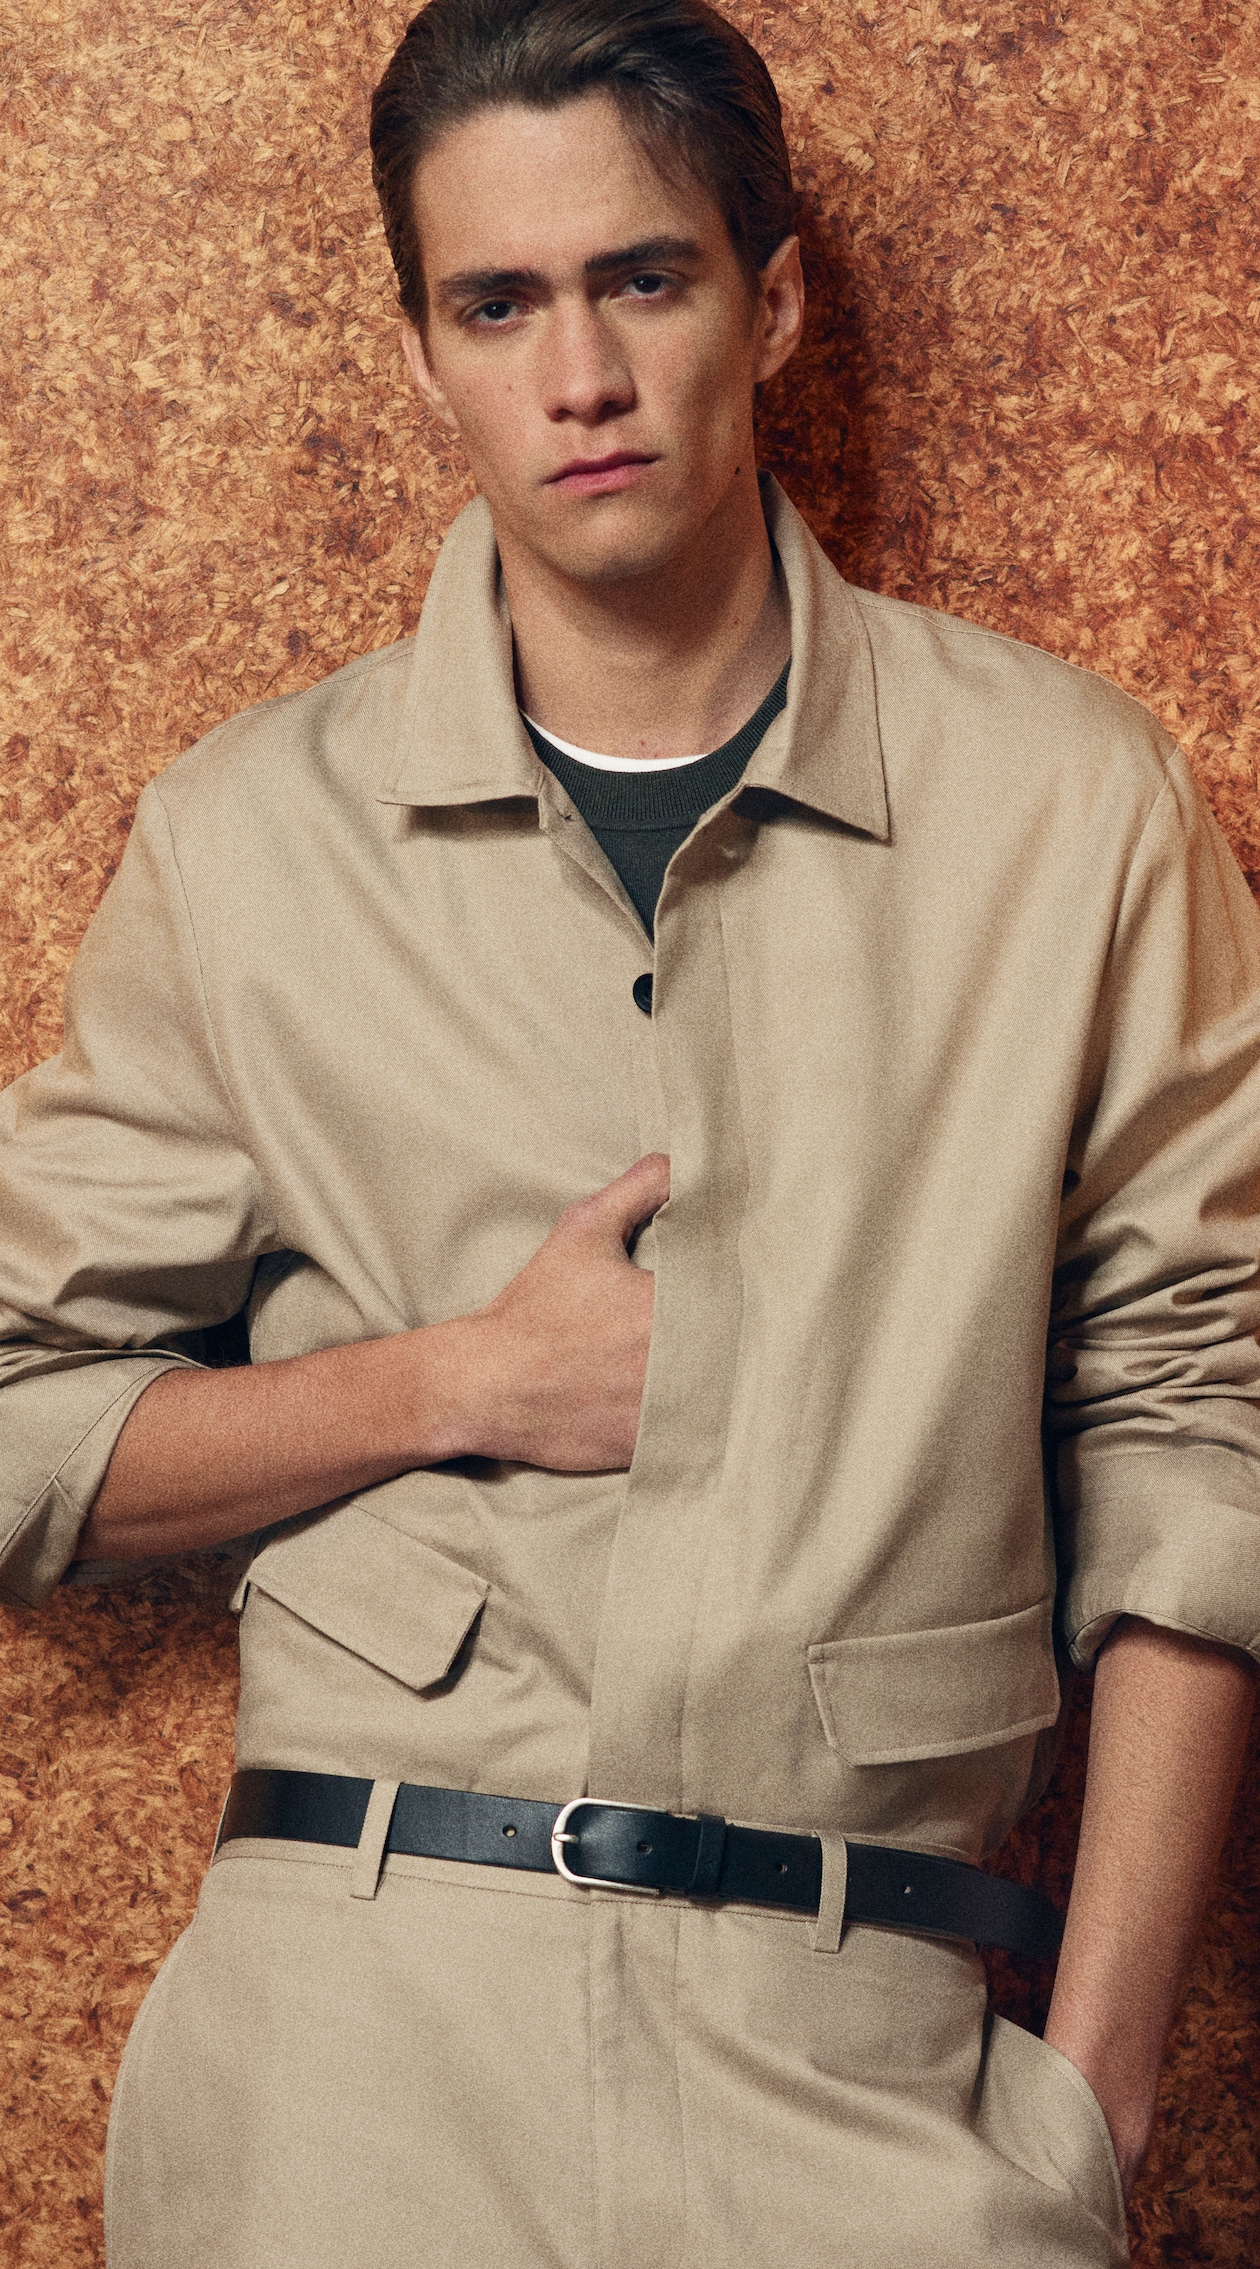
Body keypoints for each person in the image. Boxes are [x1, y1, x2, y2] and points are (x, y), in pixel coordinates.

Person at [2, 1, 1258, 2261]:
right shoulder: (251, 841)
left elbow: (1211, 1411)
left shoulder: (1071, 810)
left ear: (767, 302)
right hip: (352, 2075)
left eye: (642, 280)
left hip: (875, 2077)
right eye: (497, 303)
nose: (576, 374)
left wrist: (1099, 2090)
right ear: (424, 357)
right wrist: (452, 1385)